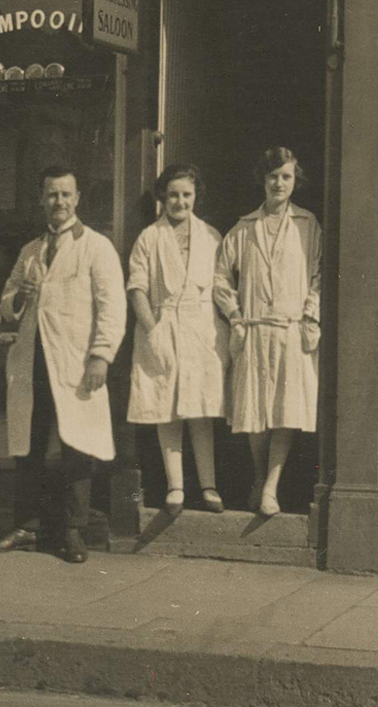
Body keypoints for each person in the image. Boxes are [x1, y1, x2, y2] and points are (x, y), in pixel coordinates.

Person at [0, 165, 127, 563]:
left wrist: (101, 355)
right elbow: (7, 307)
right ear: (41, 200)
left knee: (77, 444)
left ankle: (73, 531)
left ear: (78, 199)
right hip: (33, 361)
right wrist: (20, 296)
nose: (59, 202)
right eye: (51, 195)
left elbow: (113, 307)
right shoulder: (30, 251)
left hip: (76, 363)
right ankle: (27, 525)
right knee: (29, 444)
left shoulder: (97, 247)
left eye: (65, 195)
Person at [214, 147, 322, 516]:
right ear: (263, 180)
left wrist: (310, 316)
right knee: (255, 413)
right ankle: (260, 476)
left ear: (295, 181)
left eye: (286, 177)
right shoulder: (244, 228)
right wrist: (235, 316)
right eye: (273, 176)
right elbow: (220, 278)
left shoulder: (308, 225)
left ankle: (271, 487)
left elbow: (318, 276)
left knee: (285, 412)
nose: (279, 183)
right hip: (255, 330)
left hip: (291, 331)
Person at [127, 164, 228, 516]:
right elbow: (137, 288)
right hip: (163, 325)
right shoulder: (150, 238)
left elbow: (223, 286)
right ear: (162, 197)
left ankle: (209, 486)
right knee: (166, 408)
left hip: (203, 328)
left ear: (195, 196)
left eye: (186, 194)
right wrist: (153, 329)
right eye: (173, 195)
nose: (179, 201)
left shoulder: (212, 236)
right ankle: (176, 487)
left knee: (201, 409)